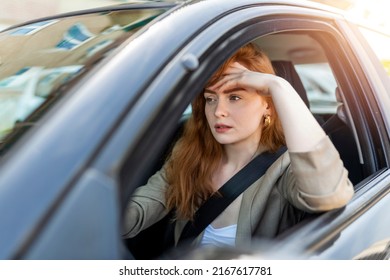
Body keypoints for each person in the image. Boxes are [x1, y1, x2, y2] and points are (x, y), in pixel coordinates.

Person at [122, 43, 354, 250]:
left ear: (268, 107)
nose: (218, 111)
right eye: (211, 98)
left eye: (234, 97)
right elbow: (139, 209)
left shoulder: (285, 168)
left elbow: (329, 195)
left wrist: (278, 86)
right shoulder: (190, 153)